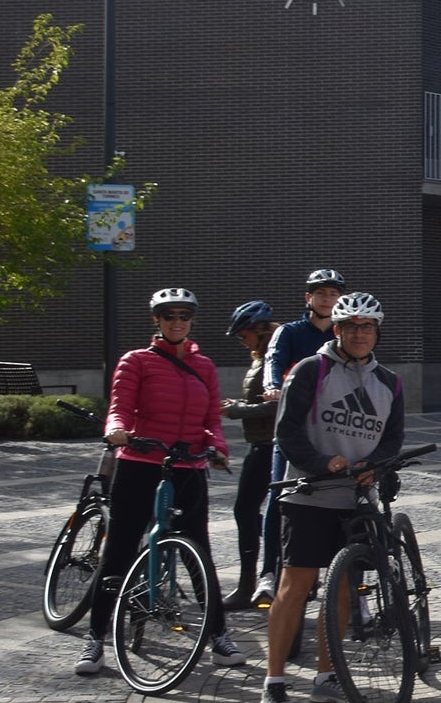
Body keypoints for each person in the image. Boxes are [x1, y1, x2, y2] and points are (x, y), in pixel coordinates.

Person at [76, 288, 243, 678]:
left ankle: (218, 634)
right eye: (169, 315)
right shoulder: (137, 361)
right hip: (141, 461)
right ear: (157, 320)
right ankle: (95, 640)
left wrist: (217, 447)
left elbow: (212, 420)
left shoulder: (204, 366)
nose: (177, 321)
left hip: (187, 466)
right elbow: (119, 406)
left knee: (197, 550)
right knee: (118, 550)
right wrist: (117, 429)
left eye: (184, 315)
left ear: (192, 320)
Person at [263, 292, 405, 703]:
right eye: (351, 326)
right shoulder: (311, 370)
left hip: (357, 501)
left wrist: (374, 465)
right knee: (295, 586)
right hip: (308, 496)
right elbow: (287, 433)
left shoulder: (390, 382)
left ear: (377, 331)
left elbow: (393, 439)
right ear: (337, 330)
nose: (360, 334)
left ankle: (328, 673)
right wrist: (322, 463)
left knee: (343, 591)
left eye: (368, 327)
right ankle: (273, 679)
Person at [255, 266, 345, 606]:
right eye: (321, 293)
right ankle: (268, 572)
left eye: (333, 294)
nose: (327, 299)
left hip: (330, 432)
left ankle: (346, 583)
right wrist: (273, 387)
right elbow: (273, 361)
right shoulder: (291, 332)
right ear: (308, 298)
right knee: (280, 498)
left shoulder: (342, 335)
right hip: (294, 430)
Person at [221, 300, 279, 608]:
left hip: (272, 444)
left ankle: (248, 586)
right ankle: (276, 551)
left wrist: (237, 410)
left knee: (245, 509)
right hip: (262, 442)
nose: (242, 341)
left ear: (259, 330)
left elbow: (280, 402)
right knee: (251, 510)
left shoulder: (277, 353)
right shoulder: (263, 355)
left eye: (243, 335)